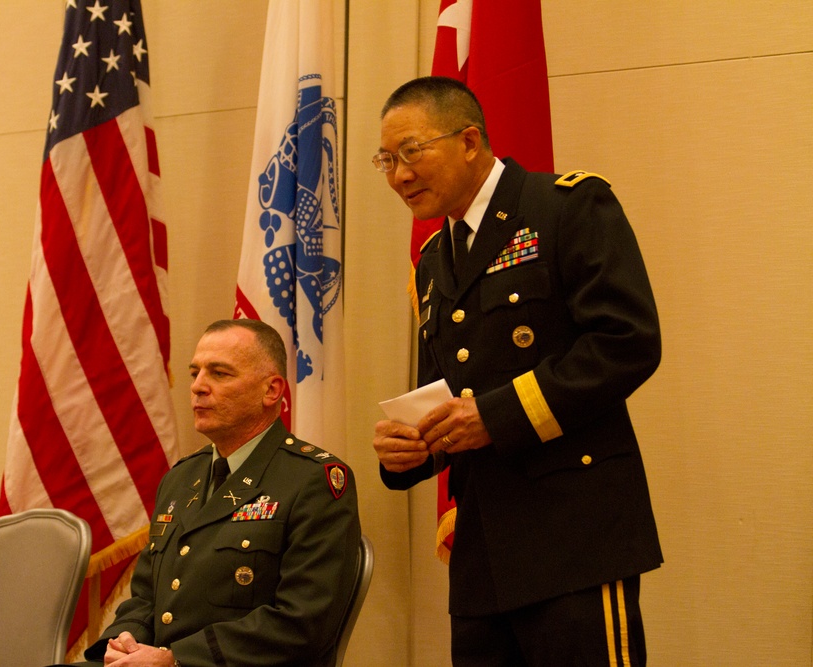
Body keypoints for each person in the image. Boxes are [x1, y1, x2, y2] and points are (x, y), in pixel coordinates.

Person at [371, 76, 663, 666]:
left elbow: (627, 341)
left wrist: (497, 415)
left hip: (574, 537)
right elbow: (454, 393)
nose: (399, 175)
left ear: (470, 140)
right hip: (483, 554)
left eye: (411, 153)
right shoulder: (433, 260)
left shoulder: (566, 206)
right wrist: (414, 447)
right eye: (386, 159)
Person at [58, 319, 360, 667]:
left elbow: (304, 623)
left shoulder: (313, 481)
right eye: (194, 373)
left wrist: (175, 659)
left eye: (219, 373)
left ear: (272, 391)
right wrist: (125, 642)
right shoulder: (181, 478)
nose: (198, 387)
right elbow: (146, 597)